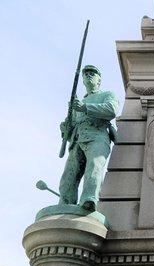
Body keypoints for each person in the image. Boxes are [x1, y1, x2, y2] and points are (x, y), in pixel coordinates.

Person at [58, 65, 119, 212]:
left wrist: (85, 108)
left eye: (93, 73)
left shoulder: (107, 94)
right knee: (69, 176)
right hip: (77, 140)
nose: (89, 75)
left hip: (97, 136)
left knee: (94, 167)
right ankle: (65, 204)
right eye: (86, 74)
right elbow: (71, 126)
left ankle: (89, 199)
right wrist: (65, 129)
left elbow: (111, 110)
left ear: (99, 79)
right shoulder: (76, 104)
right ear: (83, 80)